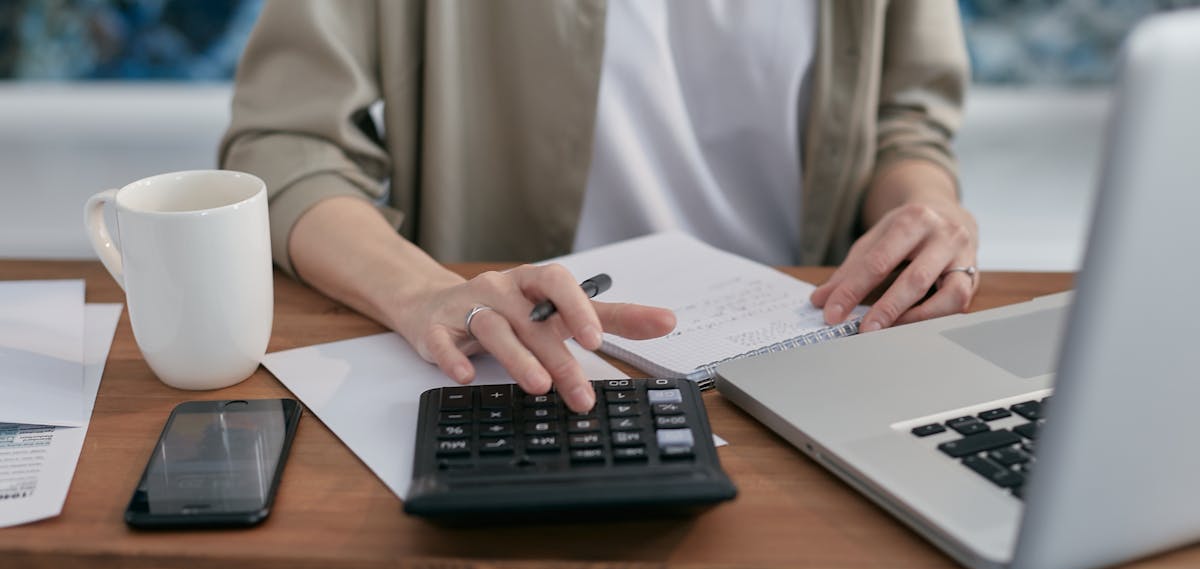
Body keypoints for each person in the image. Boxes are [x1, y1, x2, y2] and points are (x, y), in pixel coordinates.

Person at [220, 0, 978, 414]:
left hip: (807, 359)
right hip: (514, 373)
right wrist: (423, 293)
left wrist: (926, 210)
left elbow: (904, 124)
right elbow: (287, 145)